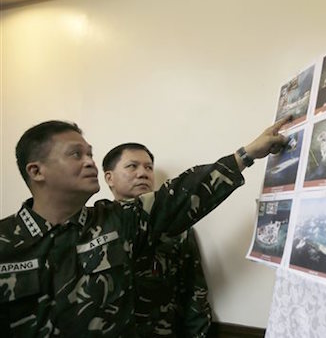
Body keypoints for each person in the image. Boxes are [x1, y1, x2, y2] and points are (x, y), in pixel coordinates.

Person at [0, 117, 289, 337]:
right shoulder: (4, 242)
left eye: (90, 154)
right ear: (37, 171)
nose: (90, 162)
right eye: (76, 154)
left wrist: (247, 153)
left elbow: (180, 195)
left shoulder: (119, 221)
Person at [102, 142, 212, 337]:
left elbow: (195, 293)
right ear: (109, 178)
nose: (143, 173)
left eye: (148, 167)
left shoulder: (178, 229)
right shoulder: (96, 226)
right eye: (132, 166)